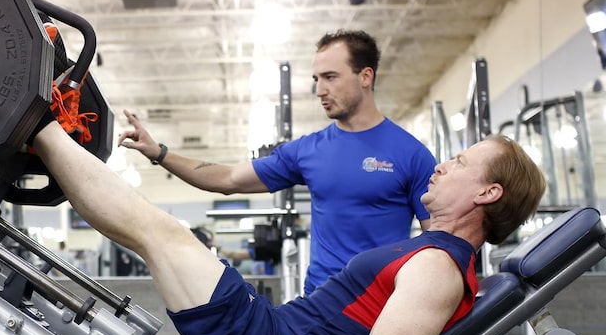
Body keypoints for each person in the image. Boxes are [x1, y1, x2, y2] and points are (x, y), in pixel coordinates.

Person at [29, 108, 546, 335]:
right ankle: (40, 130)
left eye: (460, 163)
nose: (441, 167)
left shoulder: (438, 267)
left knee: (160, 233)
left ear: (487, 193)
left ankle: (36, 125)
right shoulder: (431, 252)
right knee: (159, 236)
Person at [117, 30, 437, 296]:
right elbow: (228, 179)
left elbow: (437, 244)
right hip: (320, 303)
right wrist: (159, 152)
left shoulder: (411, 154)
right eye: (316, 78)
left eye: (330, 77)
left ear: (365, 76)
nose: (319, 90)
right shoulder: (308, 151)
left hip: (382, 304)